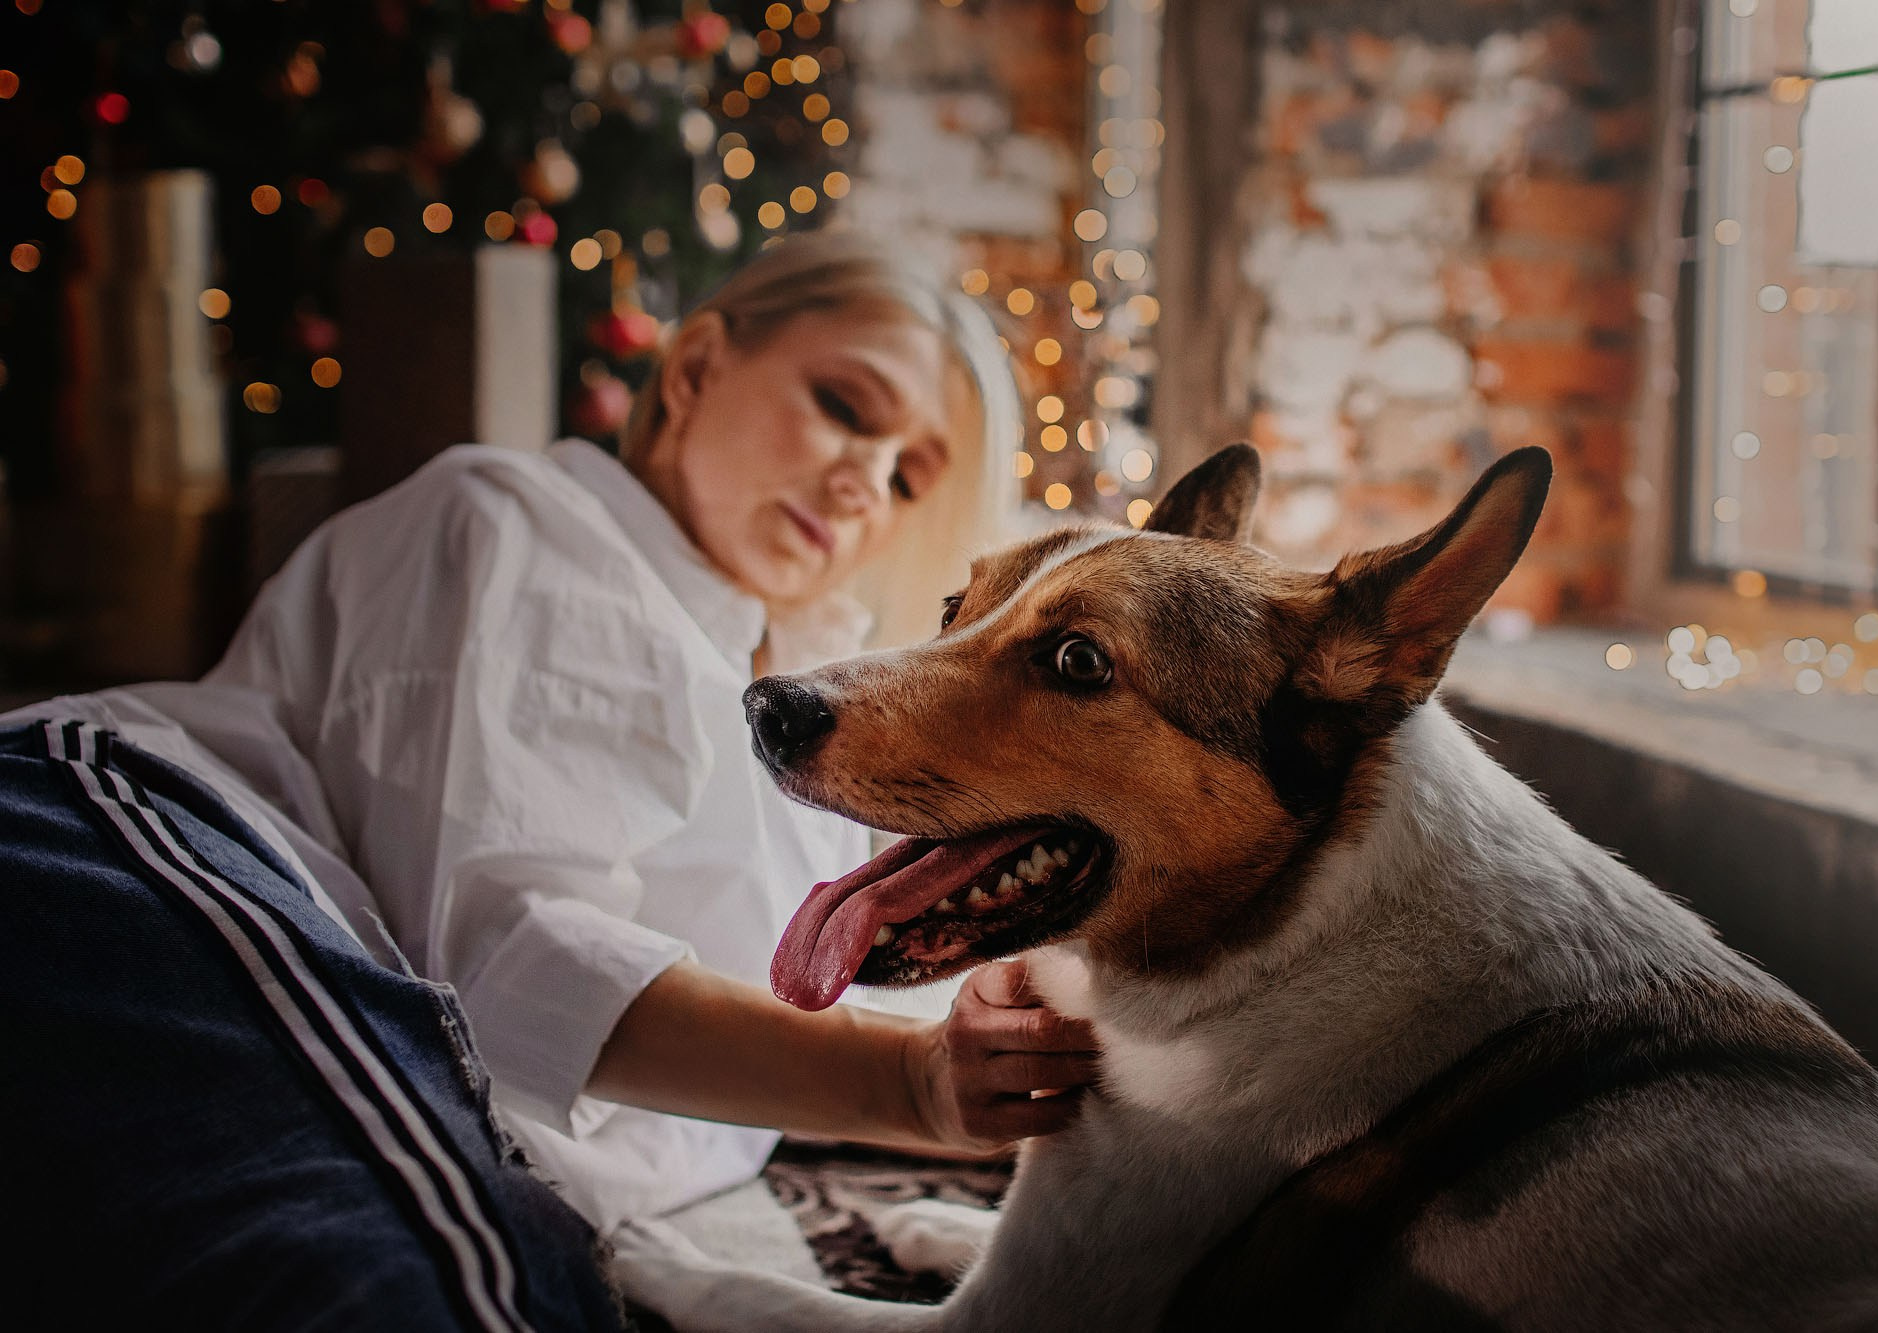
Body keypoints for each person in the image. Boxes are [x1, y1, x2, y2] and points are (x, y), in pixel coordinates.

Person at [1, 232, 1095, 1325]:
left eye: (908, 475)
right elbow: (507, 959)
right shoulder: (529, 524)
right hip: (126, 849)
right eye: (846, 407)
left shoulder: (795, 693)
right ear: (697, 365)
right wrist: (905, 1083)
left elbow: (740, 1044)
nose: (866, 479)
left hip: (339, 1032)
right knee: (422, 1287)